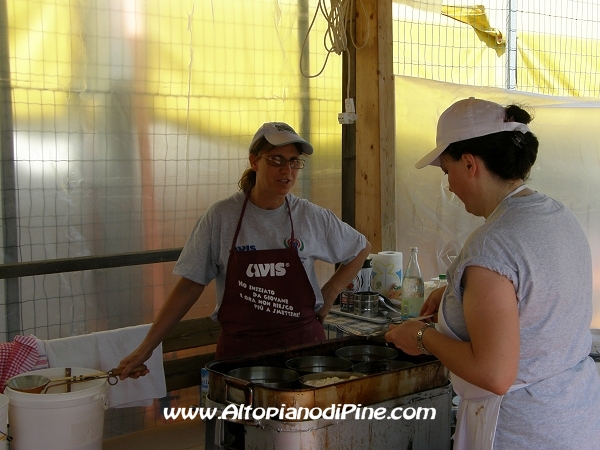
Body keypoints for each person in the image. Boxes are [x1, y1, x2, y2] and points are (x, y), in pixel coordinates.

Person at [385, 98, 600, 449]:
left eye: (446, 172)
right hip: (575, 418)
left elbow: (494, 374)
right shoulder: (557, 214)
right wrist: (457, 296)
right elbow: (534, 299)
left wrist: (422, 337)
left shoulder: (492, 244)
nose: (449, 187)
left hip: (520, 429)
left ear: (469, 164)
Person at [119, 122, 371, 374]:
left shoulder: (309, 216)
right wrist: (147, 348)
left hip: (303, 350)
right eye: (276, 159)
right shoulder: (221, 217)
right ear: (254, 161)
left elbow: (360, 247)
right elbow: (189, 286)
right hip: (240, 356)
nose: (287, 170)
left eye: (294, 161)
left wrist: (331, 290)